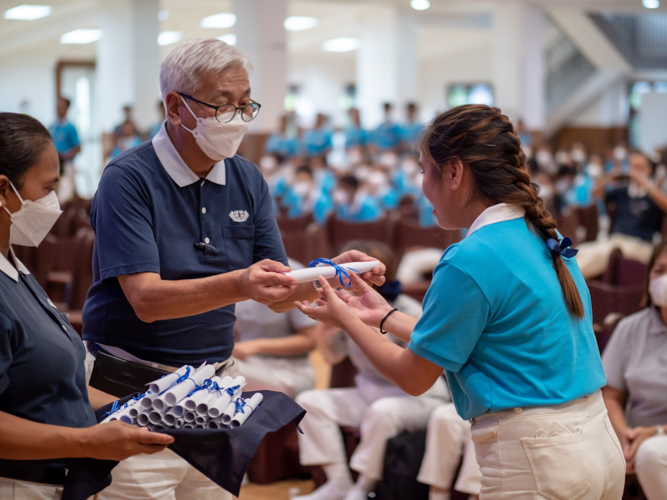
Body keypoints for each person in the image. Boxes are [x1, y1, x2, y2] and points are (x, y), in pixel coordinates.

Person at [81, 38, 385, 500]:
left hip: (214, 394)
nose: (238, 117)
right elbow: (146, 300)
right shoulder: (128, 179)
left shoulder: (246, 177)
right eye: (223, 105)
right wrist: (241, 282)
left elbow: (278, 289)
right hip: (134, 394)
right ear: (176, 107)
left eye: (246, 104)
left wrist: (330, 276)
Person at [296, 105, 625, 500]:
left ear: (453, 172)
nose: (420, 185)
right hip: (596, 441)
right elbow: (481, 338)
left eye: (423, 170)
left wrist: (344, 318)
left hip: (538, 455)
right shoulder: (542, 235)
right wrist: (383, 316)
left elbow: (414, 376)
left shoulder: (471, 256)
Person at [0, 112, 173, 498]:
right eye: (47, 188)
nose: (54, 201)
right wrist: (89, 442)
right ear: (3, 189)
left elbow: (58, 385)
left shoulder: (14, 266)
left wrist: (150, 407)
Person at [294, 241, 449, 500]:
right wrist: (325, 324)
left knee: (382, 412)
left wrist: (351, 322)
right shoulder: (349, 305)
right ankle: (338, 482)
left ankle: (364, 487)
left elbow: (406, 364)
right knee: (309, 402)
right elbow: (332, 357)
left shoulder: (406, 308)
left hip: (418, 395)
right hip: (369, 389)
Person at [602, 240, 667, 500]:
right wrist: (624, 436)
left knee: (651, 452)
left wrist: (657, 432)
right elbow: (611, 395)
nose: (665, 279)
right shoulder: (630, 328)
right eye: (660, 271)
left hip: (656, 440)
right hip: (634, 436)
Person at [233, 259, 318, 399]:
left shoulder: (293, 273)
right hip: (249, 363)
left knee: (226, 373)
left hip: (290, 370)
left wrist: (256, 346)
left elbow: (310, 340)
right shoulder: (232, 272)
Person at [576, 152, 667, 278]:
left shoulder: (655, 195)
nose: (636, 172)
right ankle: (566, 279)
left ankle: (570, 281)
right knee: (582, 250)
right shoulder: (624, 191)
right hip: (617, 239)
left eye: (640, 167)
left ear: (649, 170)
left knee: (605, 253)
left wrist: (647, 184)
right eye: (633, 167)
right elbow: (594, 193)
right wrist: (611, 176)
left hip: (640, 245)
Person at [417, 403, 481, 500]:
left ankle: (476, 495)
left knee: (480, 425)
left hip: (498, 404)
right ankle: (437, 495)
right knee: (442, 416)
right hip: (469, 401)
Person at [49, 97, 81, 202]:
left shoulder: (70, 128)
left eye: (61, 107)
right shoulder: (52, 127)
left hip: (66, 163)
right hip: (53, 162)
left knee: (66, 190)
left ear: (67, 109)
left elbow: (78, 148)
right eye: (58, 107)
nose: (59, 109)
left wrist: (64, 156)